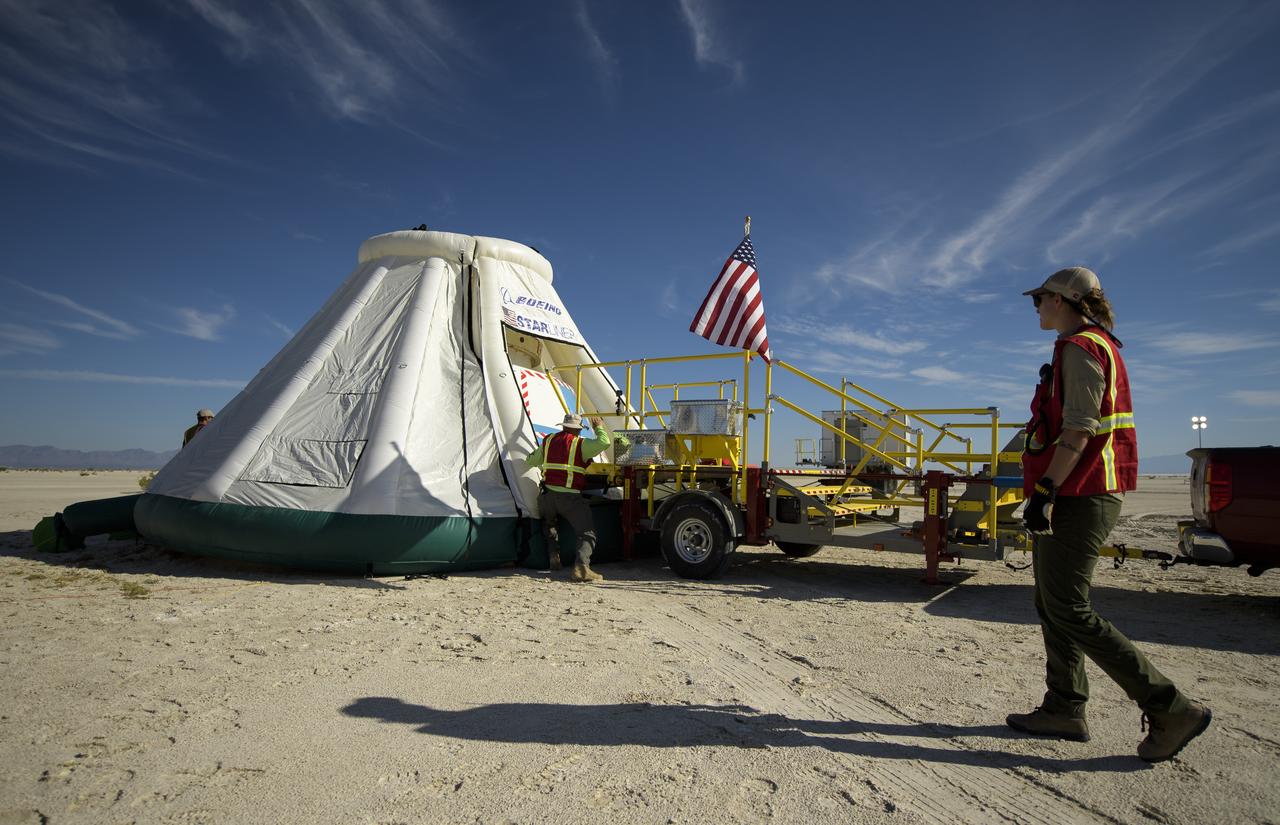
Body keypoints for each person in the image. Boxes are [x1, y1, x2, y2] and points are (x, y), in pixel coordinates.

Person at [1009, 266, 1210, 763]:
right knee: (1051, 601)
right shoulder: (1095, 346)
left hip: (1082, 491)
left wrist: (1046, 490)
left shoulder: (1081, 349)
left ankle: (1170, 707)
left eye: (1040, 299)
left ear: (1062, 301)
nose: (1035, 307)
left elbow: (1079, 428)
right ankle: (1063, 708)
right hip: (1081, 489)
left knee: (1069, 607)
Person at [524, 413, 616, 582]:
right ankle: (581, 568)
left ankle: (554, 559)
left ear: (563, 426)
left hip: (547, 496)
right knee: (587, 532)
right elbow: (604, 442)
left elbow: (530, 460)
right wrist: (598, 427)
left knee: (550, 526)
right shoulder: (580, 444)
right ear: (579, 430)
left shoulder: (549, 440)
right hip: (570, 498)